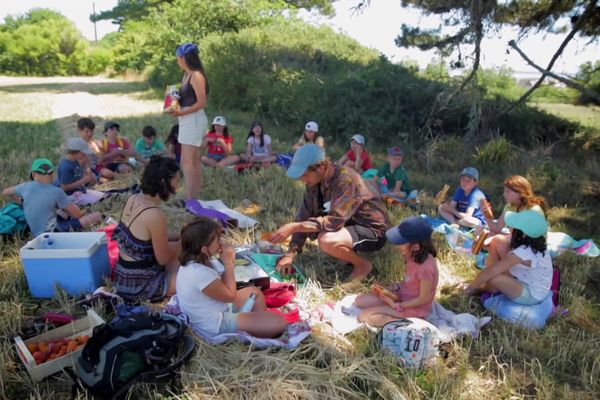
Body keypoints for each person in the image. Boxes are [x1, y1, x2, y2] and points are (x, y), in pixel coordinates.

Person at [270, 144, 391, 282]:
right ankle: (349, 256)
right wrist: (291, 253)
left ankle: (363, 266)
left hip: (373, 230)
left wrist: (294, 227)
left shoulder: (345, 178)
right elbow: (304, 215)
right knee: (323, 235)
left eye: (305, 174)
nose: (302, 179)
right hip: (350, 224)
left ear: (321, 167)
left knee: (326, 239)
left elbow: (334, 221)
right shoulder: (314, 183)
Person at [176, 217, 286, 338]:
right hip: (215, 324)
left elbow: (221, 285)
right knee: (279, 322)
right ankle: (254, 326)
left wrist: (229, 263)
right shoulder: (199, 273)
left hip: (214, 307)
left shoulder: (196, 261)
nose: (221, 244)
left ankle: (256, 325)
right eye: (218, 241)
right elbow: (230, 295)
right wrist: (228, 263)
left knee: (255, 292)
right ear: (204, 249)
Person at [113, 156, 182, 303]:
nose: (177, 186)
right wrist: (184, 242)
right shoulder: (155, 214)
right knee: (194, 276)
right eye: (176, 180)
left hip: (123, 279)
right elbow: (163, 259)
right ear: (164, 182)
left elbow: (143, 237)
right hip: (141, 287)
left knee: (183, 257)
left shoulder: (133, 199)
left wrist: (177, 235)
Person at [351, 216, 439, 326]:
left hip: (414, 308)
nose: (396, 245)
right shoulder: (412, 256)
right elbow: (410, 282)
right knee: (359, 301)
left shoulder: (426, 268)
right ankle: (391, 312)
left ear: (415, 247)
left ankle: (413, 323)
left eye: (401, 242)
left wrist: (398, 306)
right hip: (400, 298)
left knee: (364, 316)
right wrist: (392, 288)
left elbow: (423, 299)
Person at [463, 209, 553, 306]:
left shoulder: (524, 252)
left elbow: (492, 270)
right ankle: (485, 283)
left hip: (532, 294)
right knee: (498, 240)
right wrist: (487, 242)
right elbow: (502, 240)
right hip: (522, 277)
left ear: (522, 233)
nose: (508, 227)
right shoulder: (531, 241)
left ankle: (479, 288)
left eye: (512, 226)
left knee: (495, 278)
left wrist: (472, 287)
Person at [1, 159, 102, 237]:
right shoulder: (56, 191)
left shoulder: (25, 186)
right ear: (53, 173)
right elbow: (77, 214)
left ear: (34, 174)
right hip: (53, 233)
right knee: (97, 215)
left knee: (62, 212)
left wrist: (21, 203)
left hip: (36, 234)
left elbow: (6, 192)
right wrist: (78, 210)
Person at [167, 42, 209, 201]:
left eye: (178, 57)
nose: (177, 60)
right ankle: (196, 195)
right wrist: (174, 107)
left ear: (184, 57)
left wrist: (182, 111)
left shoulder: (196, 75)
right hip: (186, 119)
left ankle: (190, 199)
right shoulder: (186, 75)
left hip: (194, 120)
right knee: (194, 160)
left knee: (186, 161)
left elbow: (201, 102)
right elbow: (186, 99)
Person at [480, 175, 548, 268]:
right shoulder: (510, 206)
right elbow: (497, 227)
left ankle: (502, 271)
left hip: (529, 248)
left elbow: (526, 240)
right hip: (515, 241)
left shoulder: (532, 210)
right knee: (482, 232)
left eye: (507, 191)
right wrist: (487, 216)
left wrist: (497, 240)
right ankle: (495, 270)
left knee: (496, 240)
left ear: (520, 193)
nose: (504, 194)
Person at [76, 117, 113, 182]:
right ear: (79, 131)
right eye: (86, 131)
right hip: (83, 171)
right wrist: (85, 161)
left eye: (91, 131)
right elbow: (78, 166)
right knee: (104, 180)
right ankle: (97, 179)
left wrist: (102, 150)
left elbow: (98, 162)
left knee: (109, 174)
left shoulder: (94, 143)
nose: (90, 134)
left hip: (95, 168)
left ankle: (98, 178)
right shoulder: (77, 145)